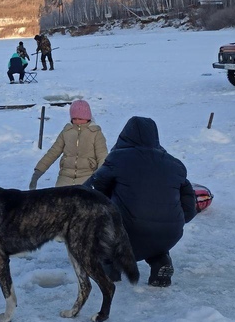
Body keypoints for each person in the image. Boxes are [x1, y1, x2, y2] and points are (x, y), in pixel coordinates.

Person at [82, 116, 197, 287]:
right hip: (169, 233)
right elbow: (189, 197)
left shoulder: (118, 159)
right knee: (153, 243)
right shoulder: (175, 164)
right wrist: (180, 219)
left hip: (128, 231)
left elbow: (94, 188)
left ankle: (110, 269)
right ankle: (161, 262)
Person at [29, 99, 107, 189]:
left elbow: (102, 157)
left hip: (87, 177)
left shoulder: (95, 133)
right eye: (74, 119)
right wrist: (37, 173)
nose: (77, 122)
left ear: (88, 118)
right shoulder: (66, 132)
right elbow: (52, 153)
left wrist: (101, 178)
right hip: (65, 177)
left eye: (80, 119)